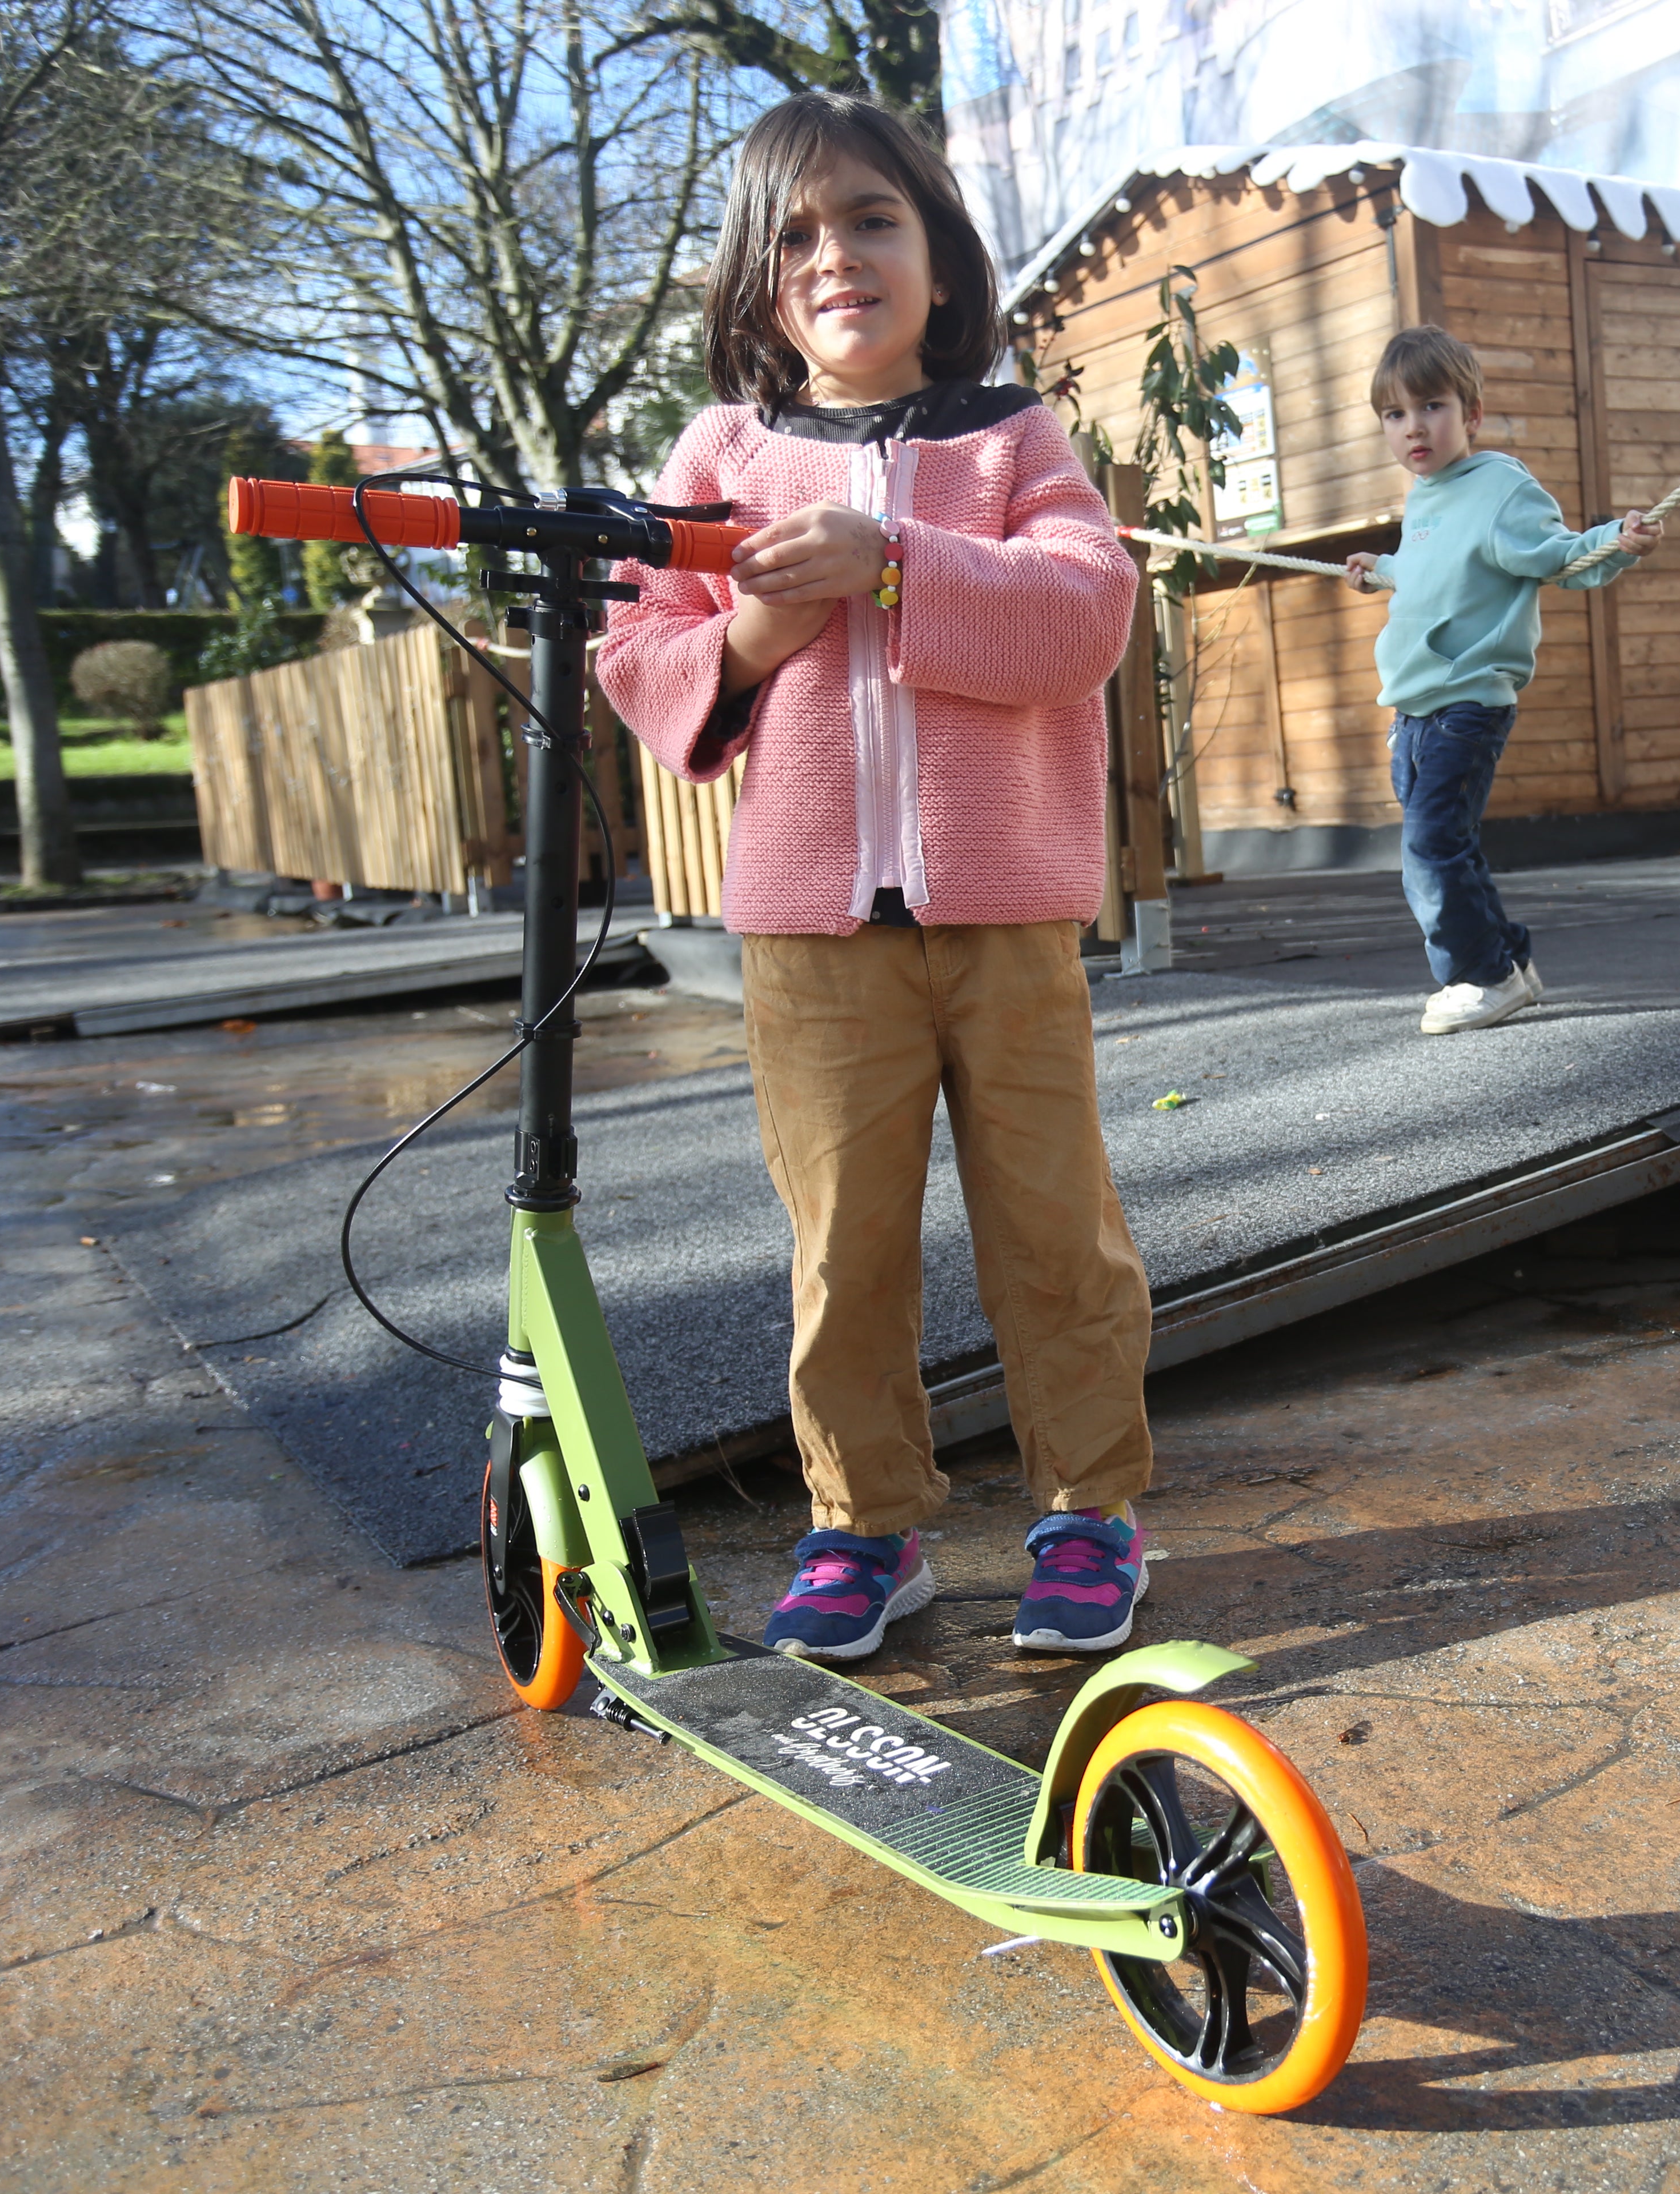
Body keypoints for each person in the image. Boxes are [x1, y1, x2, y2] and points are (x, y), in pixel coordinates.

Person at [599, 90, 1154, 1662]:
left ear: (936, 249)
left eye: (871, 219)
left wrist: (898, 563)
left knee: (1056, 1230)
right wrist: (769, 629)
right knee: (842, 1241)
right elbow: (641, 650)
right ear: (753, 278)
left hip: (1007, 916)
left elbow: (1084, 614)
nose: (835, 256)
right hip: (812, 931)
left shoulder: (1009, 439)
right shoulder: (723, 454)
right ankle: (866, 1529)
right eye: (795, 235)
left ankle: (1090, 1507)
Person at [1342, 327, 1661, 1035]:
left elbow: (1557, 557)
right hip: (1415, 710)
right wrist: (1384, 569)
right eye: (1395, 415)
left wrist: (1617, 542)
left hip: (1467, 703)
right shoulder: (1427, 496)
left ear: (1471, 414)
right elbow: (1434, 571)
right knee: (1449, 843)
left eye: (1431, 407)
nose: (1413, 427)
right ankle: (1511, 962)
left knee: (1429, 848)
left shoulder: (1498, 488)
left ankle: (1481, 977)